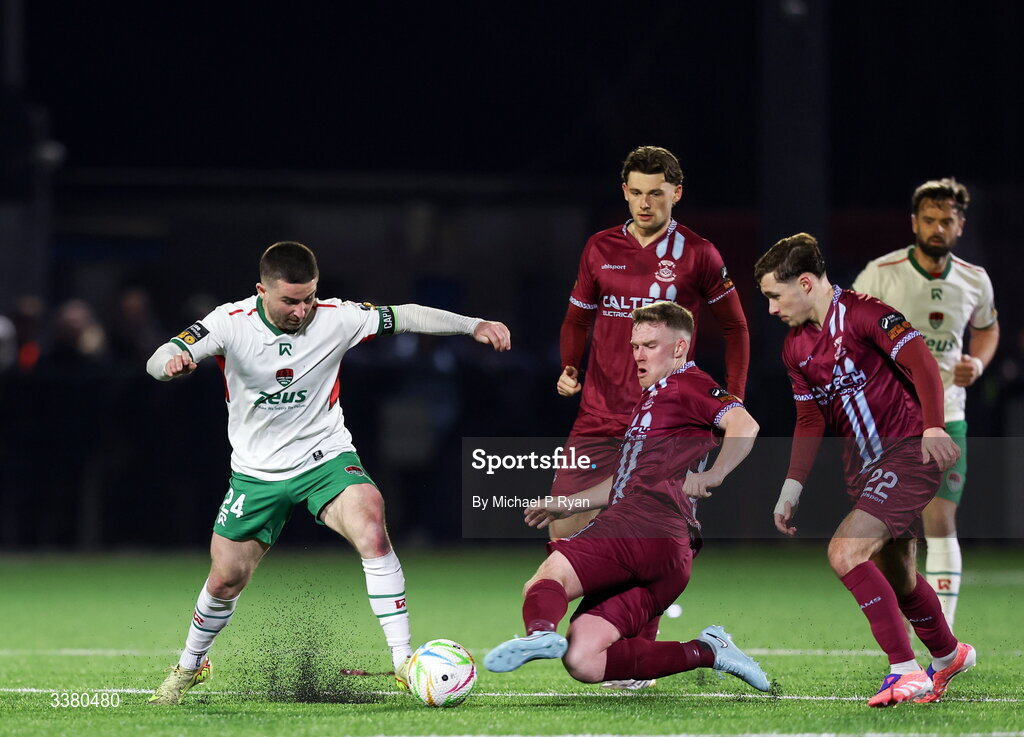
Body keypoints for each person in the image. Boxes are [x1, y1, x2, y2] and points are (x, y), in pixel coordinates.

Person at [145, 241, 511, 704]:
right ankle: (190, 666)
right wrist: (171, 364)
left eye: (309, 298)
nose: (302, 310)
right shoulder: (228, 323)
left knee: (371, 521)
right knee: (225, 579)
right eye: (290, 301)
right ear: (262, 291)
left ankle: (402, 660)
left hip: (325, 457)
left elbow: (408, 315)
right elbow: (159, 357)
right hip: (257, 473)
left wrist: (472, 325)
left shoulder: (337, 316)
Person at [484, 301, 768, 694]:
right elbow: (625, 478)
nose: (637, 354)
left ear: (680, 348)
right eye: (635, 346)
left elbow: (744, 423)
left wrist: (716, 472)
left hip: (642, 524)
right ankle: (710, 650)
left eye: (650, 345)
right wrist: (567, 503)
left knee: (547, 578)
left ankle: (539, 634)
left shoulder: (687, 384)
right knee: (583, 658)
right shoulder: (654, 399)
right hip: (670, 555)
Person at [755, 233, 976, 707]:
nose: (771, 309)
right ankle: (947, 654)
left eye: (775, 295)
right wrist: (790, 488)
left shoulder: (865, 314)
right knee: (901, 580)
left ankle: (905, 670)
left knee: (844, 551)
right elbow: (810, 418)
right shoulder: (795, 349)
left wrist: (934, 427)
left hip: (907, 455)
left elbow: (921, 363)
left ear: (807, 283)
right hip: (863, 471)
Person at [553, 145, 749, 542]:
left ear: (676, 193)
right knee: (562, 523)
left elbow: (736, 329)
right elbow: (577, 318)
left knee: (649, 536)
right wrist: (570, 365)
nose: (645, 203)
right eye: (637, 192)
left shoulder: (699, 254)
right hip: (599, 414)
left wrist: (734, 398)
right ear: (624, 190)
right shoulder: (599, 248)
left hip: (666, 419)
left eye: (656, 193)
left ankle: (646, 602)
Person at [852, 178, 998, 628]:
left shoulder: (975, 279)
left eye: (947, 221)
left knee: (940, 518)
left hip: (949, 416)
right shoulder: (882, 272)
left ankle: (944, 631)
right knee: (887, 530)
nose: (938, 228)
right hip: (889, 421)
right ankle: (903, 620)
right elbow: (849, 327)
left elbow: (988, 328)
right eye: (930, 220)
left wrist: (977, 361)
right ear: (914, 222)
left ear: (960, 225)